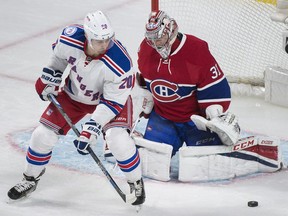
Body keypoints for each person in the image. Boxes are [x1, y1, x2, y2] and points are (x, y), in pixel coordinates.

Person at [7, 10, 145, 205]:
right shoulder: (70, 38)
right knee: (41, 135)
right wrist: (49, 78)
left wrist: (93, 127)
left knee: (117, 140)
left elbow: (113, 102)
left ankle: (135, 181)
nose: (105, 45)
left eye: (108, 39)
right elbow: (59, 60)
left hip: (109, 102)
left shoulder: (120, 63)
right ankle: (30, 179)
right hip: (73, 96)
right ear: (87, 37)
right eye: (99, 41)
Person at [137, 10, 240, 158]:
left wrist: (214, 116)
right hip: (163, 118)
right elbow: (147, 83)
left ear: (171, 31)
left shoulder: (196, 50)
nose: (155, 43)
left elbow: (216, 90)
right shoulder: (146, 50)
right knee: (152, 159)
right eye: (151, 39)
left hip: (195, 121)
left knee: (207, 161)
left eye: (159, 38)